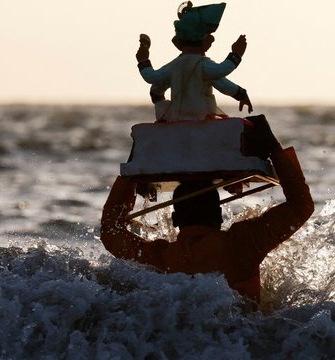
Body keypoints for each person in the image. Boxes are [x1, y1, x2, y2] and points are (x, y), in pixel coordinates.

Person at [100, 116, 315, 306]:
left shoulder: (159, 259)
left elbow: (111, 231)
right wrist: (272, 145)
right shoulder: (244, 243)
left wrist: (134, 169)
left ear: (175, 219)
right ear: (219, 215)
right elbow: (301, 206)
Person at [135, 1, 253, 121]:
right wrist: (236, 54)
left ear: (177, 42)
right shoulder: (202, 65)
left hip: (178, 118)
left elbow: (153, 78)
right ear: (206, 41)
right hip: (203, 117)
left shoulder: (174, 66)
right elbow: (221, 73)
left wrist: (143, 61)